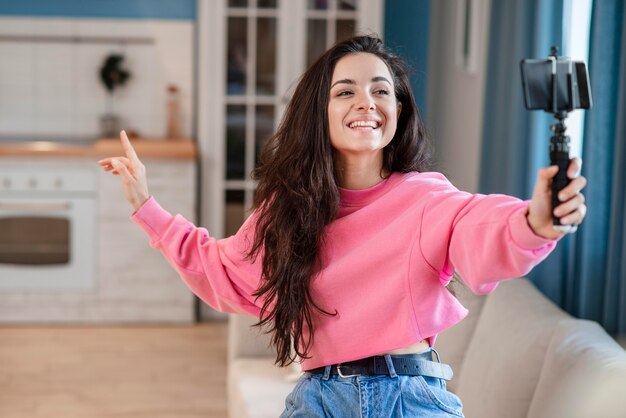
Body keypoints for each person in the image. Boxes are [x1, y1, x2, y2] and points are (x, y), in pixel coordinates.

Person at [98, 36, 587, 417]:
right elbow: (222, 270)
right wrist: (146, 204)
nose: (367, 102)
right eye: (345, 91)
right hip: (318, 400)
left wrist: (535, 221)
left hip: (410, 399)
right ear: (321, 112)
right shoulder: (286, 214)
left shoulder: (426, 198)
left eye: (381, 91)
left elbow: (484, 228)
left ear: (398, 109)